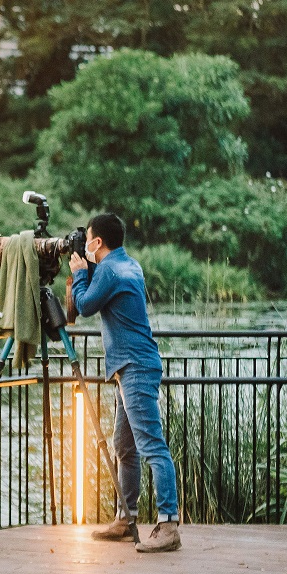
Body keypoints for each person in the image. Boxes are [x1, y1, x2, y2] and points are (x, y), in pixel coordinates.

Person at [66, 212, 181, 553]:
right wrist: (89, 271)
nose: (84, 244)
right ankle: (125, 518)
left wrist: (78, 274)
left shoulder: (110, 271)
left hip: (134, 366)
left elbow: (85, 307)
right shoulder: (130, 264)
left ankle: (168, 525)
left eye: (87, 238)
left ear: (96, 242)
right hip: (131, 366)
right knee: (125, 447)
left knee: (151, 446)